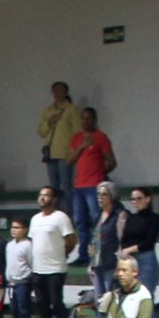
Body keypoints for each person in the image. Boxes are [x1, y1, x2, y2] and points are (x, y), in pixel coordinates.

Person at [25, 190, 76, 318]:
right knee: (41, 304)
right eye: (40, 194)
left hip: (55, 268)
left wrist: (64, 253)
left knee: (56, 303)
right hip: (38, 269)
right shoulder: (34, 219)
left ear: (54, 199)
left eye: (46, 195)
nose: (42, 197)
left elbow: (71, 240)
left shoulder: (61, 217)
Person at [69, 107, 114, 252]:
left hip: (94, 185)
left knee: (96, 220)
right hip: (79, 186)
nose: (85, 121)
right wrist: (82, 147)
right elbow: (69, 160)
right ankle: (83, 254)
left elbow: (112, 162)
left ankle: (97, 252)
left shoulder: (101, 137)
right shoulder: (76, 138)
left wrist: (100, 173)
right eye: (83, 118)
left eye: (88, 118)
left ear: (95, 120)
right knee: (80, 221)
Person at [37, 82, 82, 199]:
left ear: (66, 92)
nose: (57, 93)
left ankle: (68, 213)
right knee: (54, 188)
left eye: (60, 90)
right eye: (54, 90)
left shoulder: (72, 109)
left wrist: (74, 151)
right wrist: (49, 122)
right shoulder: (48, 110)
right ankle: (55, 211)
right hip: (51, 153)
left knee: (67, 187)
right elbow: (41, 132)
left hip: (65, 153)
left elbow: (78, 131)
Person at [117, 187, 159, 295]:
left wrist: (129, 250)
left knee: (145, 295)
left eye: (139, 198)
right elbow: (124, 238)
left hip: (145, 258)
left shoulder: (154, 218)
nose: (135, 202)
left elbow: (149, 242)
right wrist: (124, 252)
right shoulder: (131, 218)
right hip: (130, 259)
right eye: (133, 199)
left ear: (147, 199)